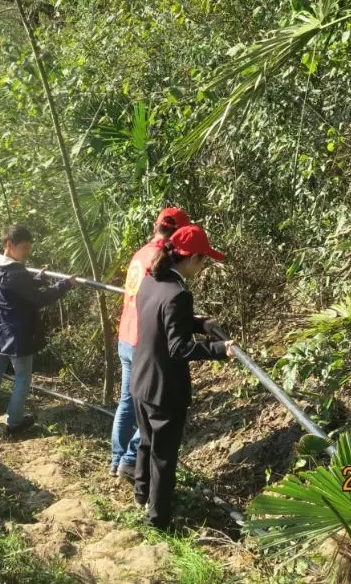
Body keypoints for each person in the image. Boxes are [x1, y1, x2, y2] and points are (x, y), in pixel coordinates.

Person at [130, 225, 236, 530]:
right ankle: (159, 521)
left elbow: (164, 318)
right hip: (164, 390)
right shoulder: (178, 293)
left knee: (146, 445)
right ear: (192, 259)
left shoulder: (152, 281)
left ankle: (141, 496)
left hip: (141, 379)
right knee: (163, 458)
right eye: (204, 261)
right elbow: (178, 348)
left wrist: (200, 324)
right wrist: (218, 349)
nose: (202, 269)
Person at [112, 207, 192, 481]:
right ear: (178, 233)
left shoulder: (140, 253)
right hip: (144, 340)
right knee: (151, 407)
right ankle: (130, 460)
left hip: (125, 333)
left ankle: (117, 460)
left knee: (127, 402)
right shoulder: (160, 257)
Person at [0, 225, 77, 439]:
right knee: (23, 377)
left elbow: (10, 289)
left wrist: (35, 280)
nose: (27, 253)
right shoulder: (16, 273)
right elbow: (38, 299)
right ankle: (14, 424)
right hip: (17, 334)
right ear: (9, 245)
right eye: (24, 248)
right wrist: (65, 284)